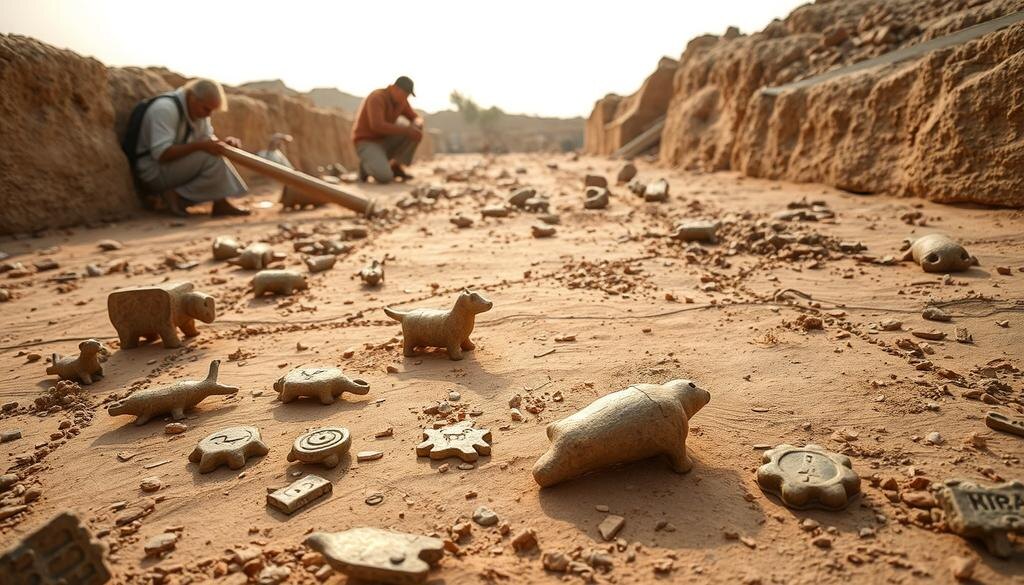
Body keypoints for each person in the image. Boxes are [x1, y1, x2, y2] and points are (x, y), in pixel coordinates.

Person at [133, 78, 250, 216]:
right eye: (206, 109)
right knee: (211, 159)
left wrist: (224, 145)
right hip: (153, 171)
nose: (208, 114)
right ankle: (176, 197)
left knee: (214, 155)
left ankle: (216, 202)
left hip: (171, 167)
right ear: (192, 98)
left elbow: (208, 141)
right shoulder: (165, 109)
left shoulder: (198, 113)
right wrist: (201, 146)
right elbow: (162, 154)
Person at [352, 76, 423, 184]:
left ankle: (396, 166)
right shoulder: (377, 97)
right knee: (385, 177)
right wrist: (407, 130)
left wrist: (417, 124)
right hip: (367, 142)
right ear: (395, 88)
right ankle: (365, 167)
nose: (406, 98)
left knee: (415, 130)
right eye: (405, 95)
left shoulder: (401, 102)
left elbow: (416, 117)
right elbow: (377, 126)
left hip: (384, 141)